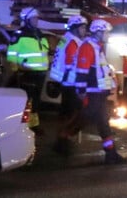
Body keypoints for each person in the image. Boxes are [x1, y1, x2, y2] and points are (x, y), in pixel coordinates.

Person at [73, 18, 124, 164]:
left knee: (103, 122)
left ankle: (111, 153)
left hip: (99, 92)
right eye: (106, 32)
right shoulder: (88, 47)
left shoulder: (96, 47)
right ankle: (63, 137)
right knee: (86, 118)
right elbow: (82, 71)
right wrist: (81, 90)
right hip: (92, 92)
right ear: (98, 32)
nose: (108, 35)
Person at [6, 6, 51, 132]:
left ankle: (34, 125)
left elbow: (44, 51)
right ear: (26, 20)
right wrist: (15, 70)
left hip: (40, 72)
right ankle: (24, 126)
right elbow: (12, 54)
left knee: (36, 101)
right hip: (26, 73)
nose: (36, 21)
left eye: (37, 18)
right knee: (27, 101)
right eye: (34, 18)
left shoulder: (38, 33)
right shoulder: (19, 35)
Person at [51, 15, 88, 155]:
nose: (85, 30)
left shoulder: (66, 39)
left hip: (66, 82)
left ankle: (62, 140)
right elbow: (71, 64)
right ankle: (62, 140)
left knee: (67, 113)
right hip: (71, 83)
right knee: (74, 113)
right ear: (75, 28)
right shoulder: (73, 42)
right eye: (82, 27)